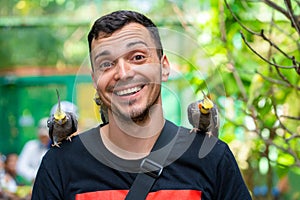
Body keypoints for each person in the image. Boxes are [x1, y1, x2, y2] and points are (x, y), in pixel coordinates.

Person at [32, 10, 252, 199]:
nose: (124, 73)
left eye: (137, 57)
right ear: (94, 80)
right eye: (106, 64)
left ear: (164, 67)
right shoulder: (60, 165)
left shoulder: (211, 158)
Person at [16, 117, 50, 184]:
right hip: (31, 185)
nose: (43, 138)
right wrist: (34, 176)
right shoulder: (30, 146)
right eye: (41, 135)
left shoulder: (55, 148)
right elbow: (20, 166)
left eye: (45, 136)